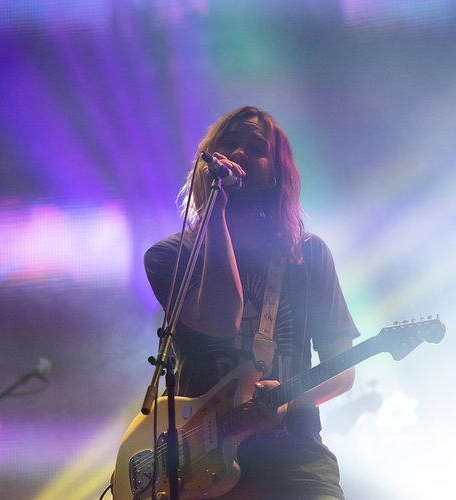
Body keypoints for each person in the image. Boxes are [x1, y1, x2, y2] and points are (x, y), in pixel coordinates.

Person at [144, 106, 359, 500]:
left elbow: (342, 371)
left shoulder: (308, 255)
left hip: (295, 462)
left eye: (256, 147)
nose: (239, 152)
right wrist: (218, 210)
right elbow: (221, 319)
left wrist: (287, 399)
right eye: (229, 142)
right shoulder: (169, 256)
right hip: (199, 466)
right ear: (207, 160)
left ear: (276, 173)